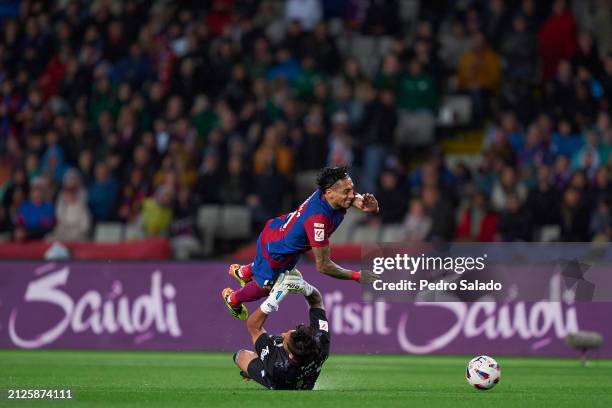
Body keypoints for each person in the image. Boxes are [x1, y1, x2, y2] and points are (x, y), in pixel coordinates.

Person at [222, 166, 378, 320]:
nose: (352, 195)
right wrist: (356, 276)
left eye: (352, 189)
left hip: (284, 237)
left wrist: (363, 204)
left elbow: (350, 196)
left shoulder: (329, 194)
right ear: (329, 193)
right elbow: (323, 266)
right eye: (347, 192)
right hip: (275, 250)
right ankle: (233, 299)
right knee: (265, 288)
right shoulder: (318, 220)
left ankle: (243, 272)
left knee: (271, 268)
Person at [233, 272, 329, 390]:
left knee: (240, 356)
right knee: (274, 341)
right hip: (305, 377)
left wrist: (275, 297)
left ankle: (259, 373)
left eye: (285, 340)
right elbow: (316, 301)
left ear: (291, 356)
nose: (283, 334)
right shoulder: (320, 340)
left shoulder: (276, 365)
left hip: (277, 380)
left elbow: (253, 326)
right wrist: (305, 287)